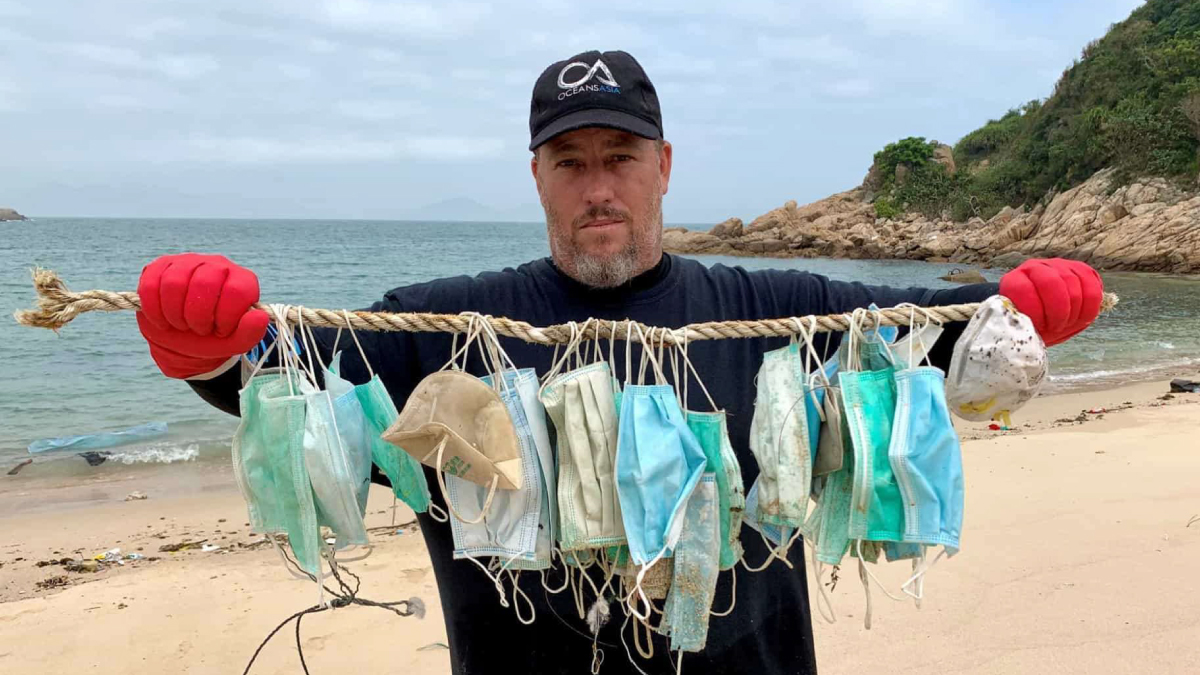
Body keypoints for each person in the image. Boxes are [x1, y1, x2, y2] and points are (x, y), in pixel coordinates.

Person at [134, 50, 1104, 675]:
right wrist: (203, 344)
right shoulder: (439, 325)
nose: (599, 187)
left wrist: (1029, 312)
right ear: (537, 177)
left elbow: (941, 332)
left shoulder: (781, 310)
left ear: (664, 165)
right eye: (571, 162)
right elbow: (282, 377)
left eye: (620, 157)